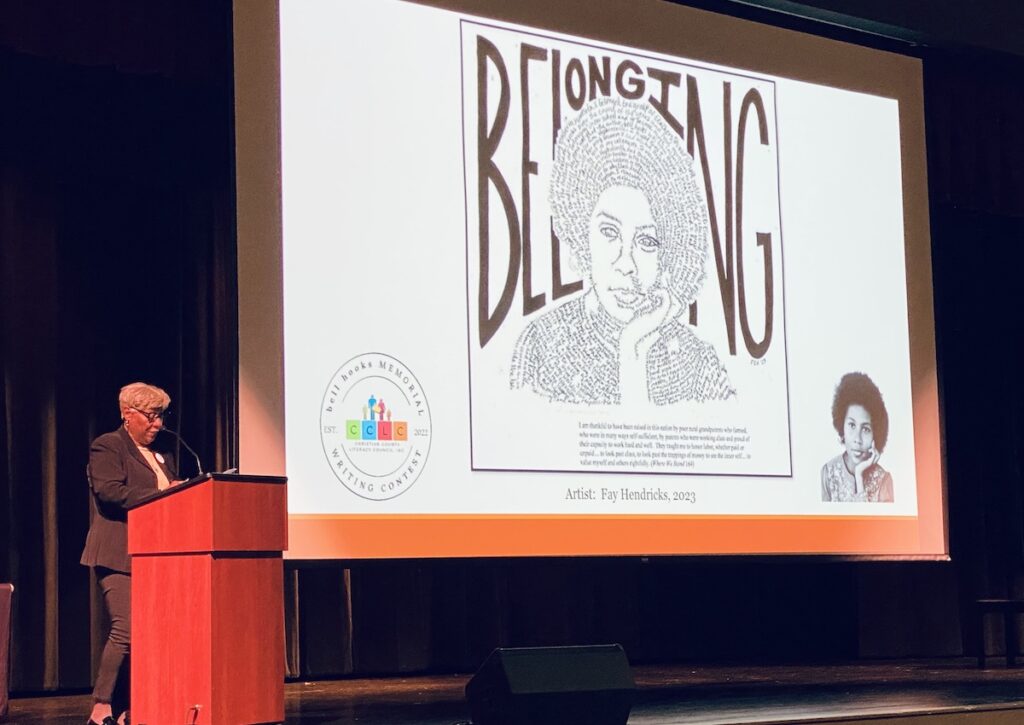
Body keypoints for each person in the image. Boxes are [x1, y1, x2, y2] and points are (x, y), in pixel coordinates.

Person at [510, 97, 733, 405]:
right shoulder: (540, 345)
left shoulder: (698, 365)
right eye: (609, 233)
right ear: (581, 234)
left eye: (647, 242)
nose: (627, 264)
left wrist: (633, 351)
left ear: (667, 256)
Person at [80, 382, 180, 725]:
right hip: (118, 553)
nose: (158, 424)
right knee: (126, 630)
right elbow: (110, 493)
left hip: (156, 556)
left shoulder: (162, 454)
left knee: (149, 635)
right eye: (152, 416)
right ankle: (101, 707)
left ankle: (129, 708)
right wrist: (165, 490)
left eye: (161, 416)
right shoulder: (108, 446)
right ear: (128, 414)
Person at [821, 372, 893, 503]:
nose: (857, 439)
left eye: (865, 429)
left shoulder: (884, 480)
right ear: (841, 425)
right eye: (852, 425)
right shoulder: (828, 473)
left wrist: (859, 476)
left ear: (875, 433)